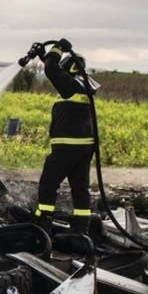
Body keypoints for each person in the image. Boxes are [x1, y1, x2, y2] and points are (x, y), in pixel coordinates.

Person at [30, 38, 96, 235]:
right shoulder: (80, 85)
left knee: (48, 185)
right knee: (80, 189)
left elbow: (52, 71)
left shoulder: (71, 85)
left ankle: (42, 224)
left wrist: (58, 47)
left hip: (67, 148)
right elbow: (54, 72)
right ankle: (80, 232)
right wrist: (44, 56)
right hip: (83, 149)